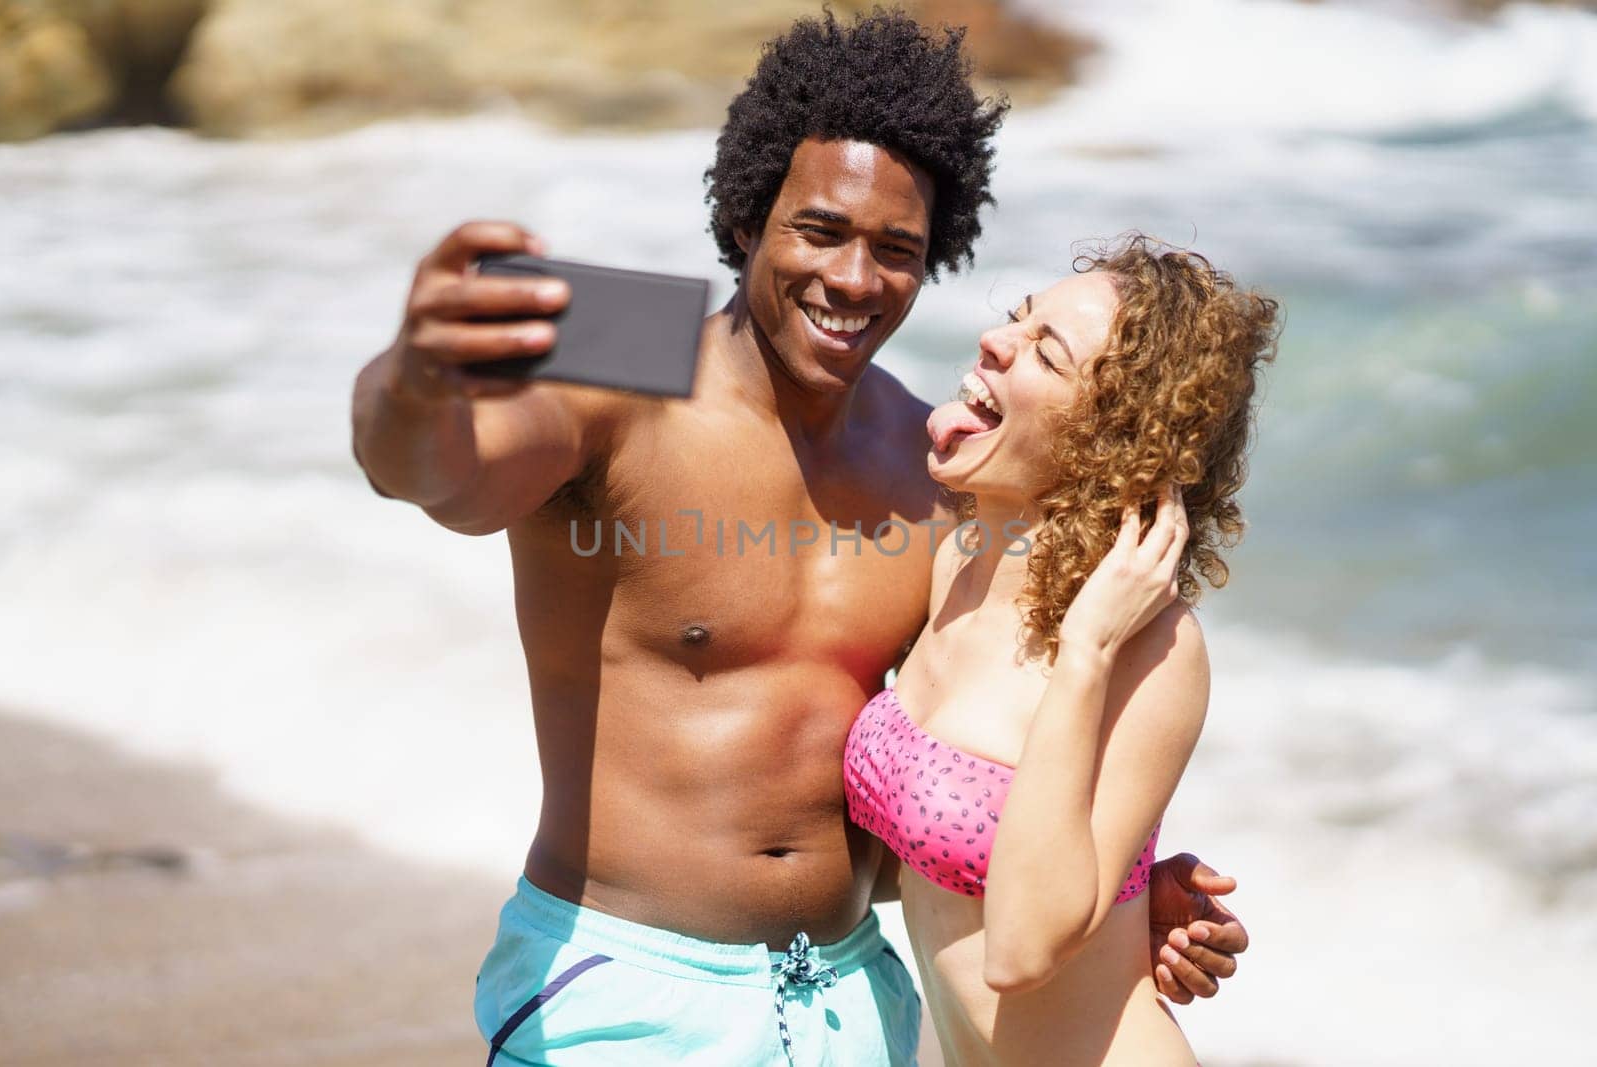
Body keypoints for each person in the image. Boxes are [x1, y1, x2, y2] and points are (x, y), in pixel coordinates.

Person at [350, 11, 1247, 1066]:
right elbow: (434, 473)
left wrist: (1116, 883)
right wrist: (412, 376)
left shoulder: (932, 458)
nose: (856, 280)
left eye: (897, 251)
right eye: (819, 230)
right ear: (745, 218)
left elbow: (983, 725)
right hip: (626, 987)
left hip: (851, 997)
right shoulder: (620, 352)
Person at [845, 237, 1279, 1066]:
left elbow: (1016, 952)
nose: (995, 342)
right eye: (1019, 317)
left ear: (1108, 441)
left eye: (1045, 349)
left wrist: (1084, 649)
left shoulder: (1153, 648)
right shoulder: (953, 562)